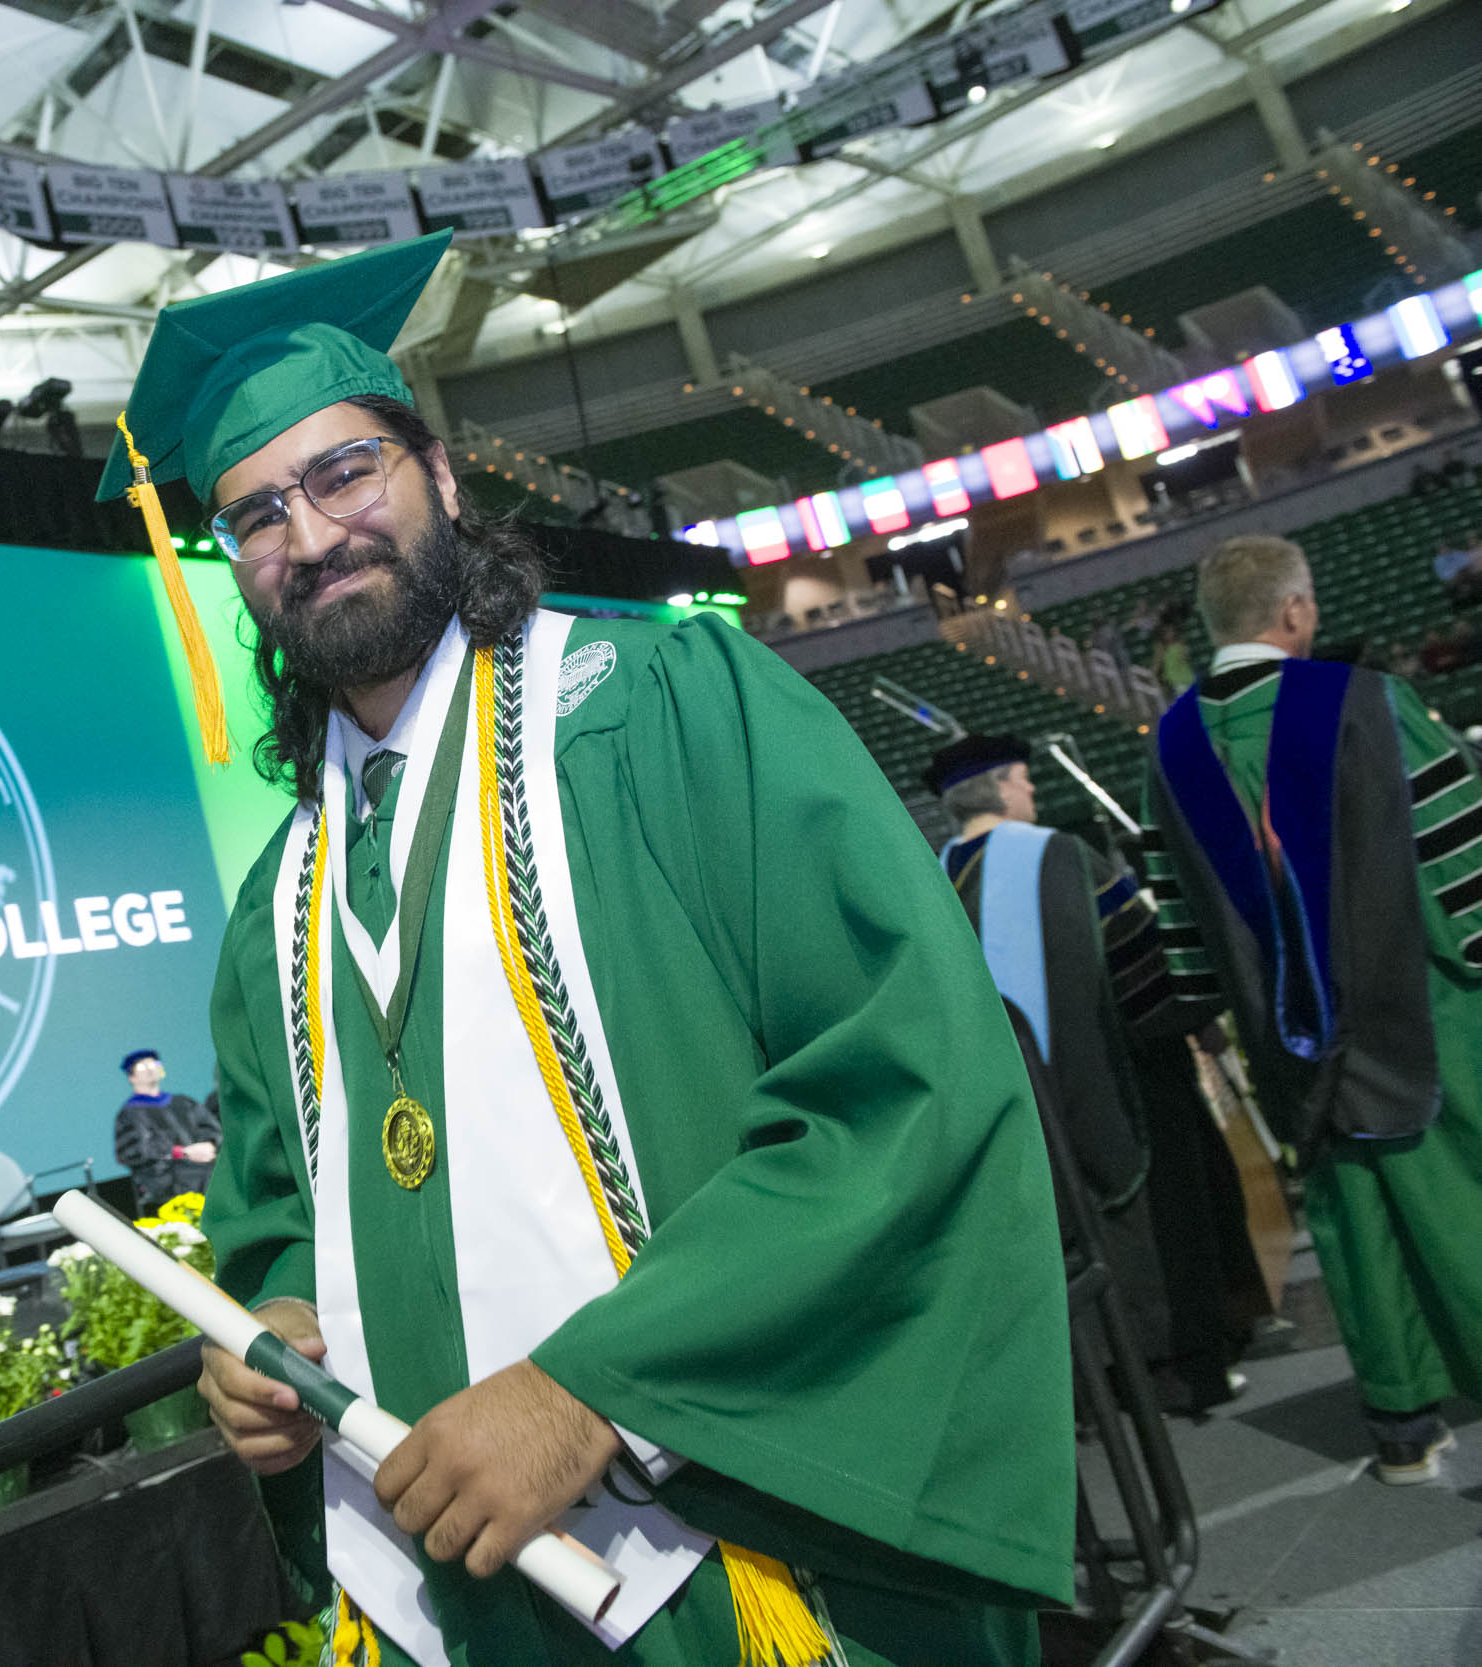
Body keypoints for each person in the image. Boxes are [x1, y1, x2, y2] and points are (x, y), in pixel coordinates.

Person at [119, 233, 1071, 1666]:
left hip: (742, 1558)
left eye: (344, 473)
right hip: (447, 1595)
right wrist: (272, 1329)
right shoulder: (279, 905)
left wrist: (599, 1390)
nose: (308, 538)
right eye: (255, 515)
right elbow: (273, 1211)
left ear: (443, 478)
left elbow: (907, 1076)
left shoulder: (674, 710)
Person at [1143, 534, 1482, 1484]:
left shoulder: (1170, 748)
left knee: (1354, 1213)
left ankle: (1404, 1428)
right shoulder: (1364, 700)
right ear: (1293, 611)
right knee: (1459, 1190)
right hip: (1422, 1007)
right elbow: (1455, 845)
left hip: (1285, 1035)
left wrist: (1215, 1013)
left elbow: (1179, 913)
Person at [924, 735, 1233, 1411]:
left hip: (1010, 1106)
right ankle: (1170, 1368)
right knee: (1137, 1205)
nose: (1033, 789)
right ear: (1000, 786)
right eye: (1024, 778)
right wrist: (1196, 1017)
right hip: (1108, 1085)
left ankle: (1088, 1387)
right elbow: (1140, 961)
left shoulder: (932, 883)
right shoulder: (1059, 855)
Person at [112, 1049, 220, 1209]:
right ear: (131, 1077)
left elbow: (212, 1129)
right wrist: (183, 1152)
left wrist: (209, 1145)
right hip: (166, 1180)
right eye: (142, 1066)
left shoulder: (183, 1102)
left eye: (153, 1064)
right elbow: (133, 1152)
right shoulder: (129, 1114)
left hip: (204, 1168)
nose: (150, 1069)